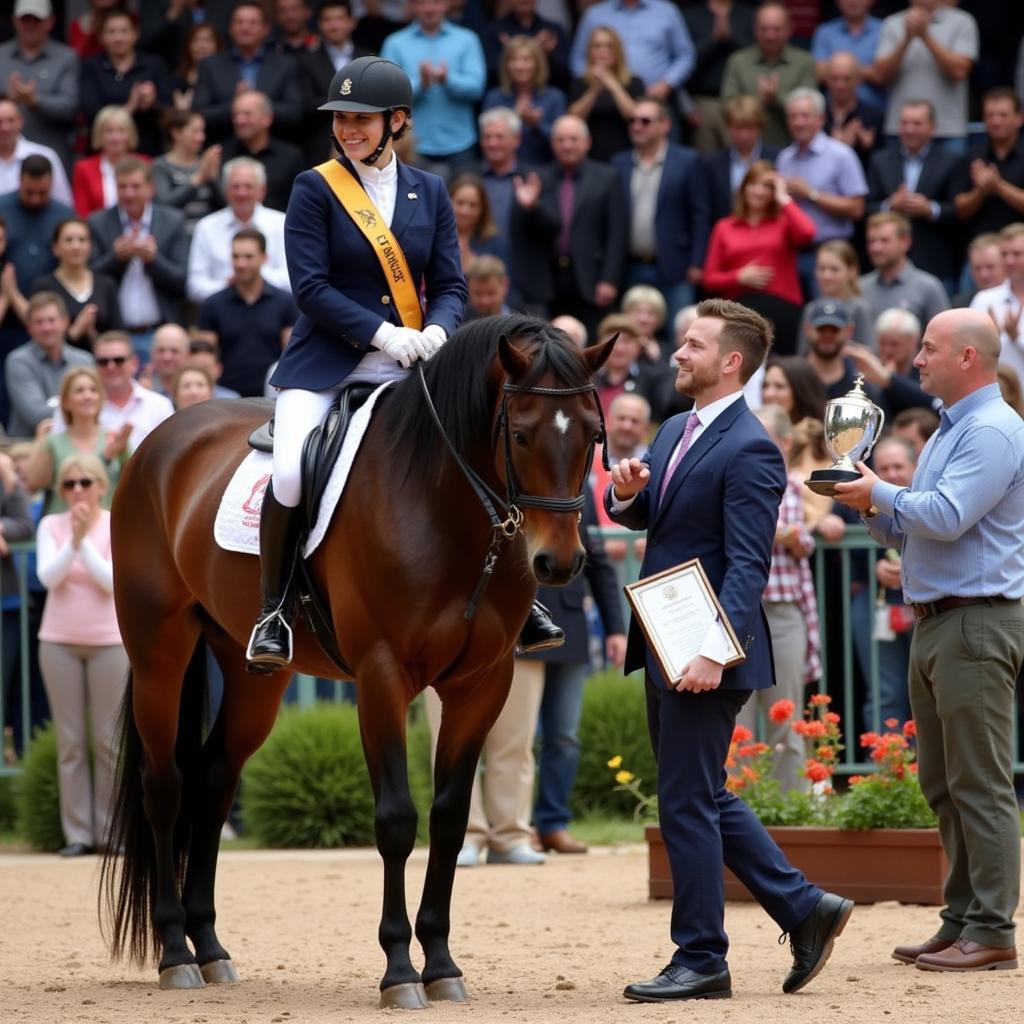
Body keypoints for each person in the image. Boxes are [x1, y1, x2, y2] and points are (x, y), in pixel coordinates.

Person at [606, 297, 853, 1002]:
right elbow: (655, 515)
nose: (679, 354)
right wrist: (628, 496)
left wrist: (715, 653)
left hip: (704, 655)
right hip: (665, 644)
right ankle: (805, 908)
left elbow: (748, 565)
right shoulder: (676, 425)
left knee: (686, 802)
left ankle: (702, 957)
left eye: (692, 345)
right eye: (682, 344)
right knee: (701, 793)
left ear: (731, 362)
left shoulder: (750, 447)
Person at [244, 55, 467, 671]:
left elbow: (450, 285)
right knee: (289, 472)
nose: (347, 130)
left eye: (361, 120)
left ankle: (512, 598)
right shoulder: (314, 187)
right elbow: (310, 287)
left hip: (414, 365)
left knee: (477, 452)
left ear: (396, 121)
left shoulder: (433, 190)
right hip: (327, 364)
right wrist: (384, 335)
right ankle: (273, 609)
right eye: (341, 118)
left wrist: (441, 334)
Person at [834, 308, 1024, 972]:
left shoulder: (995, 430)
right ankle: (962, 918)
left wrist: (881, 492)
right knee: (945, 781)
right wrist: (867, 502)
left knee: (980, 782)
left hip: (975, 619)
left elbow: (943, 516)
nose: (916, 360)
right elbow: (923, 524)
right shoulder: (955, 429)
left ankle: (994, 928)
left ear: (967, 358)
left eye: (928, 348)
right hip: (944, 618)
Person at [36, 452, 128, 857]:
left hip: (109, 641)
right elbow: (47, 577)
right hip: (58, 641)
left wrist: (83, 543)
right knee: (71, 743)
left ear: (100, 486)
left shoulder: (114, 524)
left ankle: (112, 833)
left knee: (109, 740)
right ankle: (77, 834)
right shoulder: (50, 525)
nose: (77, 491)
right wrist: (72, 540)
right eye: (70, 483)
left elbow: (111, 582)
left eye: (85, 482)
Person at [736, 403, 820, 794]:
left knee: (786, 714)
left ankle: (792, 812)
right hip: (740, 610)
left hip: (784, 612)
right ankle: (740, 811)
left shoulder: (795, 486)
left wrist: (790, 535)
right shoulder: (733, 481)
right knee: (738, 721)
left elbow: (804, 541)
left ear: (785, 443)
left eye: (763, 438)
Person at [512, 114, 625, 335]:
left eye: (573, 139)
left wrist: (609, 279)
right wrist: (530, 208)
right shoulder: (538, 178)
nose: (567, 145)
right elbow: (532, 231)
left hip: (590, 278)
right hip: (547, 279)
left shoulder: (607, 177)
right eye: (560, 140)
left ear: (587, 142)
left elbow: (617, 233)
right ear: (552, 144)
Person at [610, 98, 709, 327]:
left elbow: (700, 215)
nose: (637, 126)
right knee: (631, 332)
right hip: (630, 265)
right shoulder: (619, 163)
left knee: (681, 333)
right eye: (632, 120)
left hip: (676, 266)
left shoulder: (688, 161)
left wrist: (697, 262)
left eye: (645, 121)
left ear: (665, 124)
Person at [86, 158, 189, 360]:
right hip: (115, 336)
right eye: (122, 187)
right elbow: (88, 278)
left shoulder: (172, 221)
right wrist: (116, 258)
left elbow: (181, 280)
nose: (129, 193)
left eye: (135, 186)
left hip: (160, 335)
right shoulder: (98, 222)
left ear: (150, 188)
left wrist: (153, 260)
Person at [379, 0, 486, 180]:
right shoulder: (395, 43)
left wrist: (447, 80)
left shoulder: (467, 39)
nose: (429, 8)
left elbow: (477, 88)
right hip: (412, 146)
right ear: (412, 6)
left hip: (460, 144)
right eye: (421, 3)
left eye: (435, 2)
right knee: (415, 207)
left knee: (465, 205)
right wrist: (421, 84)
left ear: (446, 4)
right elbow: (387, 94)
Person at [866, 99, 961, 295]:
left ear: (933, 127)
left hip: (935, 260)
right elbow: (866, 208)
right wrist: (889, 205)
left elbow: (960, 210)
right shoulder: (880, 160)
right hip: (888, 266)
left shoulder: (952, 160)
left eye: (917, 124)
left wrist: (931, 209)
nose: (909, 130)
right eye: (905, 123)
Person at [195, 227, 298, 397]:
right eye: (235, 256)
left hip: (271, 395)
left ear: (264, 258)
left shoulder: (285, 302)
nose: (241, 263)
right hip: (226, 397)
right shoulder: (212, 304)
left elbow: (291, 354)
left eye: (248, 257)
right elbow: (205, 358)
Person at [702, 160, 816, 308]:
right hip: (740, 311)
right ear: (743, 188)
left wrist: (783, 197)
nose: (758, 191)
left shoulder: (784, 222)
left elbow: (808, 232)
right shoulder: (724, 227)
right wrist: (738, 277)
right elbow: (709, 279)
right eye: (753, 184)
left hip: (782, 306)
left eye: (766, 186)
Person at [191, 0, 304, 146]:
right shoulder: (211, 65)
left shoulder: (285, 65)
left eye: (252, 23)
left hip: (274, 149)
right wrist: (235, 106)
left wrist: (258, 104)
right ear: (231, 28)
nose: (245, 27)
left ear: (265, 29)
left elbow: (295, 112)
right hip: (224, 148)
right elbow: (199, 114)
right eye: (239, 22)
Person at [872, 0, 978, 151]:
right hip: (901, 130)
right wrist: (907, 39)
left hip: (947, 131)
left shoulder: (963, 22)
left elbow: (959, 71)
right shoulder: (892, 23)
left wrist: (925, 36)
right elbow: (880, 76)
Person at [25, 366, 128, 515]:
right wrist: (40, 442)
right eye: (79, 391)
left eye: (94, 390)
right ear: (65, 401)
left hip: (106, 530)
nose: (88, 396)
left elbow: (133, 485)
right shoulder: (52, 442)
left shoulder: (116, 439)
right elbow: (33, 484)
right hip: (62, 531)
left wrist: (122, 453)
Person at [186, 157, 290, 302]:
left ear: (262, 190)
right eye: (235, 186)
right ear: (225, 190)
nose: (242, 193)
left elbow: (293, 277)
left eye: (248, 186)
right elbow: (194, 287)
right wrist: (228, 286)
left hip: (274, 313)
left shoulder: (282, 223)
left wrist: (254, 279)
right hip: (222, 314)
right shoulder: (206, 227)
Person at [50, 331, 174, 452]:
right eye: (103, 362)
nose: (111, 366)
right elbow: (57, 452)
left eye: (118, 360)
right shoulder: (75, 405)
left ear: (134, 363)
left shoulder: (160, 406)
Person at [79, 7, 173, 158]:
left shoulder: (154, 65)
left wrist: (152, 103)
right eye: (112, 32)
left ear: (136, 34)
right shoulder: (92, 66)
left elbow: (170, 112)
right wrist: (131, 106)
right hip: (104, 154)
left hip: (146, 151)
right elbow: (90, 112)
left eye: (124, 31)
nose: (118, 38)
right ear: (101, 37)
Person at [720, 2, 817, 148]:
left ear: (790, 29)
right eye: (764, 29)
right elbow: (727, 106)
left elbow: (811, 109)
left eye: (776, 29)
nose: (770, 35)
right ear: (755, 29)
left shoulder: (804, 62)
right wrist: (757, 102)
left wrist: (776, 98)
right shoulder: (738, 61)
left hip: (793, 148)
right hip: (747, 148)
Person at [569, 0, 695, 109]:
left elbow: (685, 54)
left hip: (657, 100)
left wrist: (667, 83)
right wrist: (590, 85)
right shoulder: (594, 15)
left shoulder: (667, 11)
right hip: (604, 101)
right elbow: (578, 59)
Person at [0, 0, 77, 175]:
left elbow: (70, 107)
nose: (30, 25)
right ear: (14, 20)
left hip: (50, 156)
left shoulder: (67, 58)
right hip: (4, 157)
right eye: (25, 19)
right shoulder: (0, 55)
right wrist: (7, 100)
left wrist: (35, 101)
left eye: (37, 20)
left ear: (50, 21)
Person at [4, 292, 93, 438]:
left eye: (51, 320)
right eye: (38, 322)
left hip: (77, 445)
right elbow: (36, 415)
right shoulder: (18, 361)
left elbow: (96, 408)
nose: (46, 328)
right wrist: (80, 408)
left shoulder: (84, 360)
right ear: (28, 328)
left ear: (65, 322)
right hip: (29, 447)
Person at [27, 217, 123, 349]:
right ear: (55, 248)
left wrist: (92, 334)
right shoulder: (43, 286)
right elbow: (37, 336)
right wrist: (74, 332)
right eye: (68, 240)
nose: (76, 246)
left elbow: (118, 334)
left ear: (90, 246)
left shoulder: (106, 284)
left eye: (82, 240)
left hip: (102, 364)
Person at [298, 2, 371, 165]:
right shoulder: (307, 61)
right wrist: (347, 101)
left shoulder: (367, 59)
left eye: (339, 19)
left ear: (352, 22)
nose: (334, 25)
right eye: (328, 20)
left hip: (364, 143)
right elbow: (305, 105)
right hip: (321, 147)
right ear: (319, 25)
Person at [682, 0, 756, 154]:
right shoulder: (691, 15)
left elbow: (755, 56)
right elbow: (685, 61)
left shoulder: (749, 14)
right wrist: (714, 40)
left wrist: (729, 39)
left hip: (741, 101)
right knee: (706, 161)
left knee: (741, 158)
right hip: (703, 101)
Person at [952, 87, 1024, 240]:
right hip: (981, 248)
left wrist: (998, 186)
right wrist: (979, 191)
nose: (996, 121)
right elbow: (959, 209)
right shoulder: (972, 156)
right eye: (990, 115)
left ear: (1019, 118)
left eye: (1003, 115)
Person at [483, 35, 565, 167]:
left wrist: (537, 125)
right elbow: (487, 138)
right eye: (513, 60)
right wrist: (513, 118)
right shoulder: (495, 97)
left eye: (526, 60)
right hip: (503, 169)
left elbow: (562, 141)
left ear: (537, 64)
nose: (519, 66)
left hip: (544, 168)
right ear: (506, 65)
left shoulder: (554, 97)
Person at [566, 26, 643, 164]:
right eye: (597, 46)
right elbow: (574, 119)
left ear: (617, 51)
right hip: (590, 157)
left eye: (609, 46)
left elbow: (636, 116)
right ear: (590, 52)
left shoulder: (634, 82)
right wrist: (595, 89)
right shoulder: (580, 83)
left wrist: (611, 82)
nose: (603, 51)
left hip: (627, 154)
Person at [219, 91, 305, 213]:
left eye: (247, 114)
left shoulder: (290, 157)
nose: (239, 120)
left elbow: (299, 202)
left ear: (267, 118)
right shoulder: (221, 154)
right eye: (235, 115)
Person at [860, 212, 950, 326]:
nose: (876, 248)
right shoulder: (861, 287)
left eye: (884, 240)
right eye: (871, 241)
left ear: (905, 242)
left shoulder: (928, 287)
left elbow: (942, 335)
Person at [704, 95, 781, 225]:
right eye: (738, 128)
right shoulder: (713, 164)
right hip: (729, 237)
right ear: (728, 127)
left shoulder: (777, 158)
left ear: (760, 128)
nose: (743, 135)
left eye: (750, 128)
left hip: (768, 236)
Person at [152, 109, 223, 237]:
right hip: (175, 237)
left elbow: (224, 205)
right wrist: (198, 179)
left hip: (206, 236)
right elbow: (164, 204)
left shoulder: (206, 163)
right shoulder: (160, 166)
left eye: (202, 131)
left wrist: (212, 179)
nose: (201, 137)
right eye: (195, 131)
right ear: (176, 133)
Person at [71, 105, 148, 219]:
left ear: (130, 134)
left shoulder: (146, 164)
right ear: (99, 135)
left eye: (121, 131)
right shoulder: (83, 168)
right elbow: (82, 214)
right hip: (98, 234)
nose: (115, 138)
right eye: (109, 131)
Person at [969, 222, 1024, 381]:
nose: (1009, 261)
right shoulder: (984, 299)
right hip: (997, 395)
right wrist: (989, 338)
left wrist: (1017, 338)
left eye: (1016, 254)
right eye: (1004, 254)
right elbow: (967, 352)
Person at [798, 239, 874, 351]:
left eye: (834, 269)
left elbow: (867, 352)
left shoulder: (859, 308)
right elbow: (803, 354)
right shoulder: (811, 309)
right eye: (821, 268)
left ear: (851, 271)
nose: (826, 275)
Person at [811, 0, 885, 110]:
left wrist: (839, 70)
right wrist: (866, 71)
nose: (853, 1)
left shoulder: (884, 29)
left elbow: (882, 76)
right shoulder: (825, 32)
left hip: (876, 111)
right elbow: (819, 73)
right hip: (832, 113)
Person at [0, 96, 72, 205]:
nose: (5, 127)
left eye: (11, 120)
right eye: (0, 121)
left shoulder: (46, 156)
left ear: (21, 122)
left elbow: (63, 204)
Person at [448, 173, 502, 272]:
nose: (465, 211)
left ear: (483, 209)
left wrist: (477, 269)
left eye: (473, 205)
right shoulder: (437, 238)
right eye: (460, 203)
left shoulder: (494, 241)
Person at [171, 23, 222, 111]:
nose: (202, 46)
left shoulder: (225, 75)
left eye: (208, 40)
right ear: (188, 46)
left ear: (217, 45)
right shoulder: (178, 77)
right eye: (196, 40)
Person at [951, 232, 1005, 308]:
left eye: (990, 267)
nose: (983, 274)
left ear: (1006, 264)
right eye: (977, 268)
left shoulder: (1020, 301)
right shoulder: (960, 305)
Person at [143, 322, 190, 397]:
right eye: (161, 350)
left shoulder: (202, 392)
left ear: (187, 355)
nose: (167, 357)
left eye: (174, 351)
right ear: (152, 353)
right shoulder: (141, 391)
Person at [463, 253, 512, 320]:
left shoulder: (524, 323)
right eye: (478, 294)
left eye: (491, 293)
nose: (484, 301)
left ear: (505, 286)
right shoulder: (457, 323)